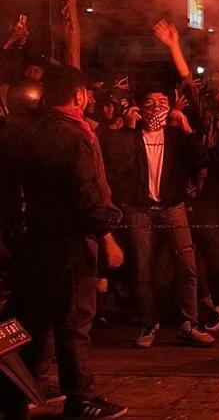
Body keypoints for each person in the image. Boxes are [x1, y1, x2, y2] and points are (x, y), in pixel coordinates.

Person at [0, 65, 127, 418]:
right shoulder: (73, 134)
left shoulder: (24, 131)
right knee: (74, 321)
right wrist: (107, 238)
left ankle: (23, 390)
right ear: (80, 96)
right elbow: (84, 192)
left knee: (35, 318)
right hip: (70, 245)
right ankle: (81, 397)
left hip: (33, 242)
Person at [151, 20, 219, 332]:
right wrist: (174, 46)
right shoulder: (209, 117)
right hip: (210, 188)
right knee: (213, 246)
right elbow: (188, 83)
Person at [111, 82, 212, 348]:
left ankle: (189, 323)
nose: (157, 108)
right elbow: (117, 166)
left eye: (162, 102)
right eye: (150, 103)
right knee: (143, 270)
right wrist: (127, 129)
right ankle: (149, 324)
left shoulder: (176, 136)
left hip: (172, 207)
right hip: (140, 210)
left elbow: (201, 160)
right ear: (139, 108)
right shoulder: (131, 136)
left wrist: (187, 127)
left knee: (187, 266)